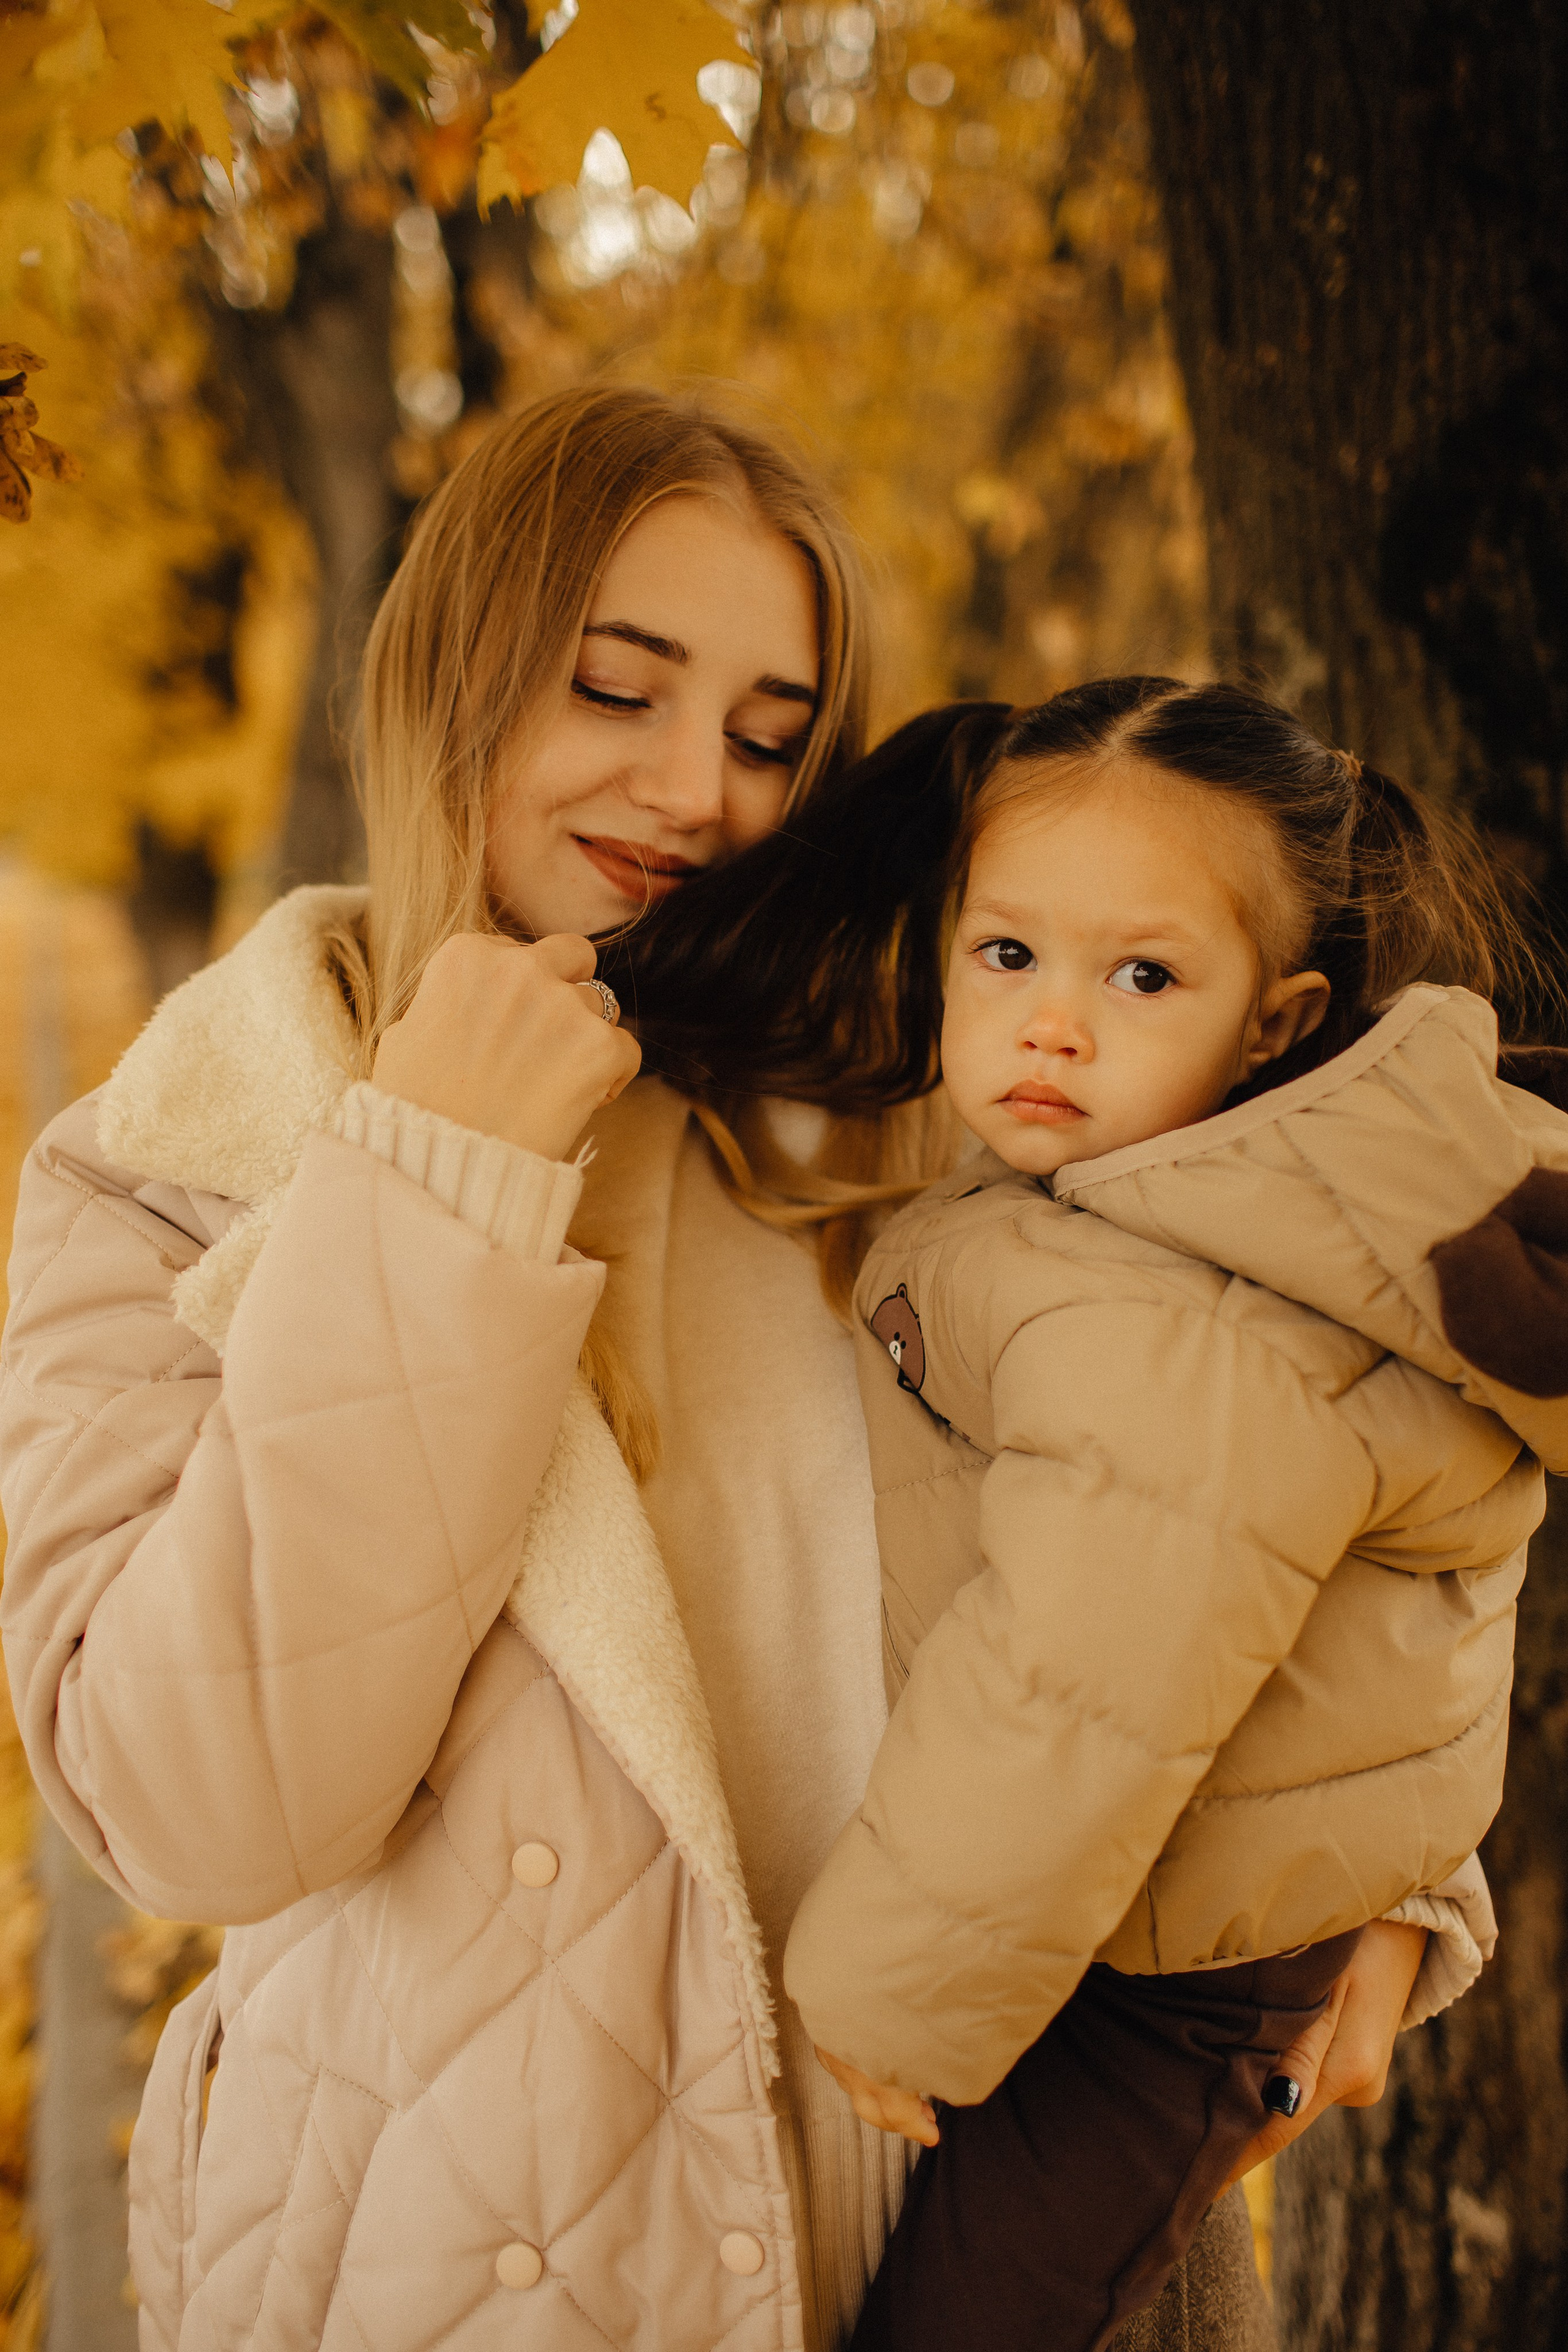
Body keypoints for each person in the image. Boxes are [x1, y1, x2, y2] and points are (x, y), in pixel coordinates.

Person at [0, 399, 1432, 2352]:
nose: (699, 791)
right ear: (452, 674)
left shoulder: (942, 1101)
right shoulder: (169, 1160)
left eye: (773, 738)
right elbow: (193, 1809)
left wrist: (1405, 1895)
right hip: (455, 2268)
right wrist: (434, 1184)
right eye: (619, 689)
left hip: (989, 2236)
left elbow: (1279, 1479)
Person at [778, 677, 1568, 2352]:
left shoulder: (1166, 1293)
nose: (1055, 1023)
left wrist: (892, 1991)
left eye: (1142, 977)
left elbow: (1092, 1663)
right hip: (1148, 1919)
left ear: (1272, 1025)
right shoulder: (1161, 1200)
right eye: (1009, 958)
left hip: (1168, 1994)